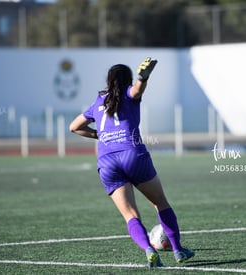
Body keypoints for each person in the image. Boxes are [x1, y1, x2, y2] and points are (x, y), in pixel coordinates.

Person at [69, 57, 194, 267]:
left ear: (108, 81)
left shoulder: (98, 102)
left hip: (107, 162)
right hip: (132, 155)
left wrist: (99, 135)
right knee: (160, 203)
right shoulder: (128, 93)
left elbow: (74, 127)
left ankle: (148, 250)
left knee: (130, 215)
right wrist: (143, 78)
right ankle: (178, 250)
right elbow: (137, 90)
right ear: (127, 81)